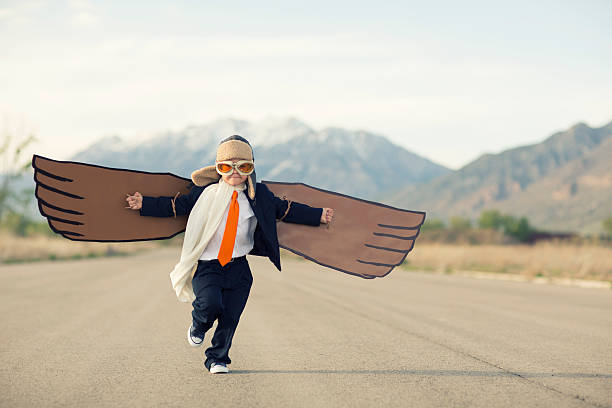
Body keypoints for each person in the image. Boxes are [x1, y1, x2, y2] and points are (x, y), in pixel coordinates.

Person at [125, 135, 334, 374]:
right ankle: (198, 325)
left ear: (250, 169)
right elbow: (176, 206)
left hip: (239, 268)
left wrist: (317, 215)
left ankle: (217, 359)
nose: (234, 172)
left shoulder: (258, 195)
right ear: (217, 168)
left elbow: (285, 210)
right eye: (226, 167)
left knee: (230, 317)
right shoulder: (204, 193)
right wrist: (145, 204)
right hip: (208, 266)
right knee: (210, 304)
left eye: (243, 166)